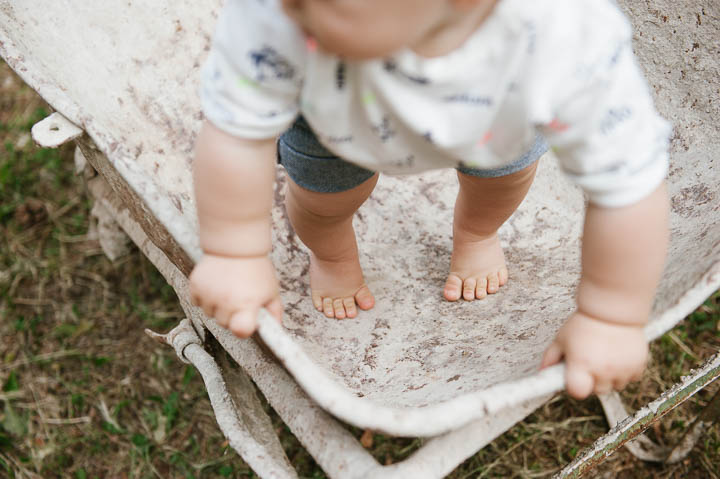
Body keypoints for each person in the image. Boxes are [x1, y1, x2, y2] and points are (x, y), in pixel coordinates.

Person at [189, 0, 670, 399]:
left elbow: (629, 186)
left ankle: (477, 233)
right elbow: (236, 135)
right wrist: (235, 251)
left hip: (497, 119)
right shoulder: (280, 15)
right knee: (322, 202)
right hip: (331, 119)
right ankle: (332, 253)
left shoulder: (563, 35)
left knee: (501, 181)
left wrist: (611, 314)